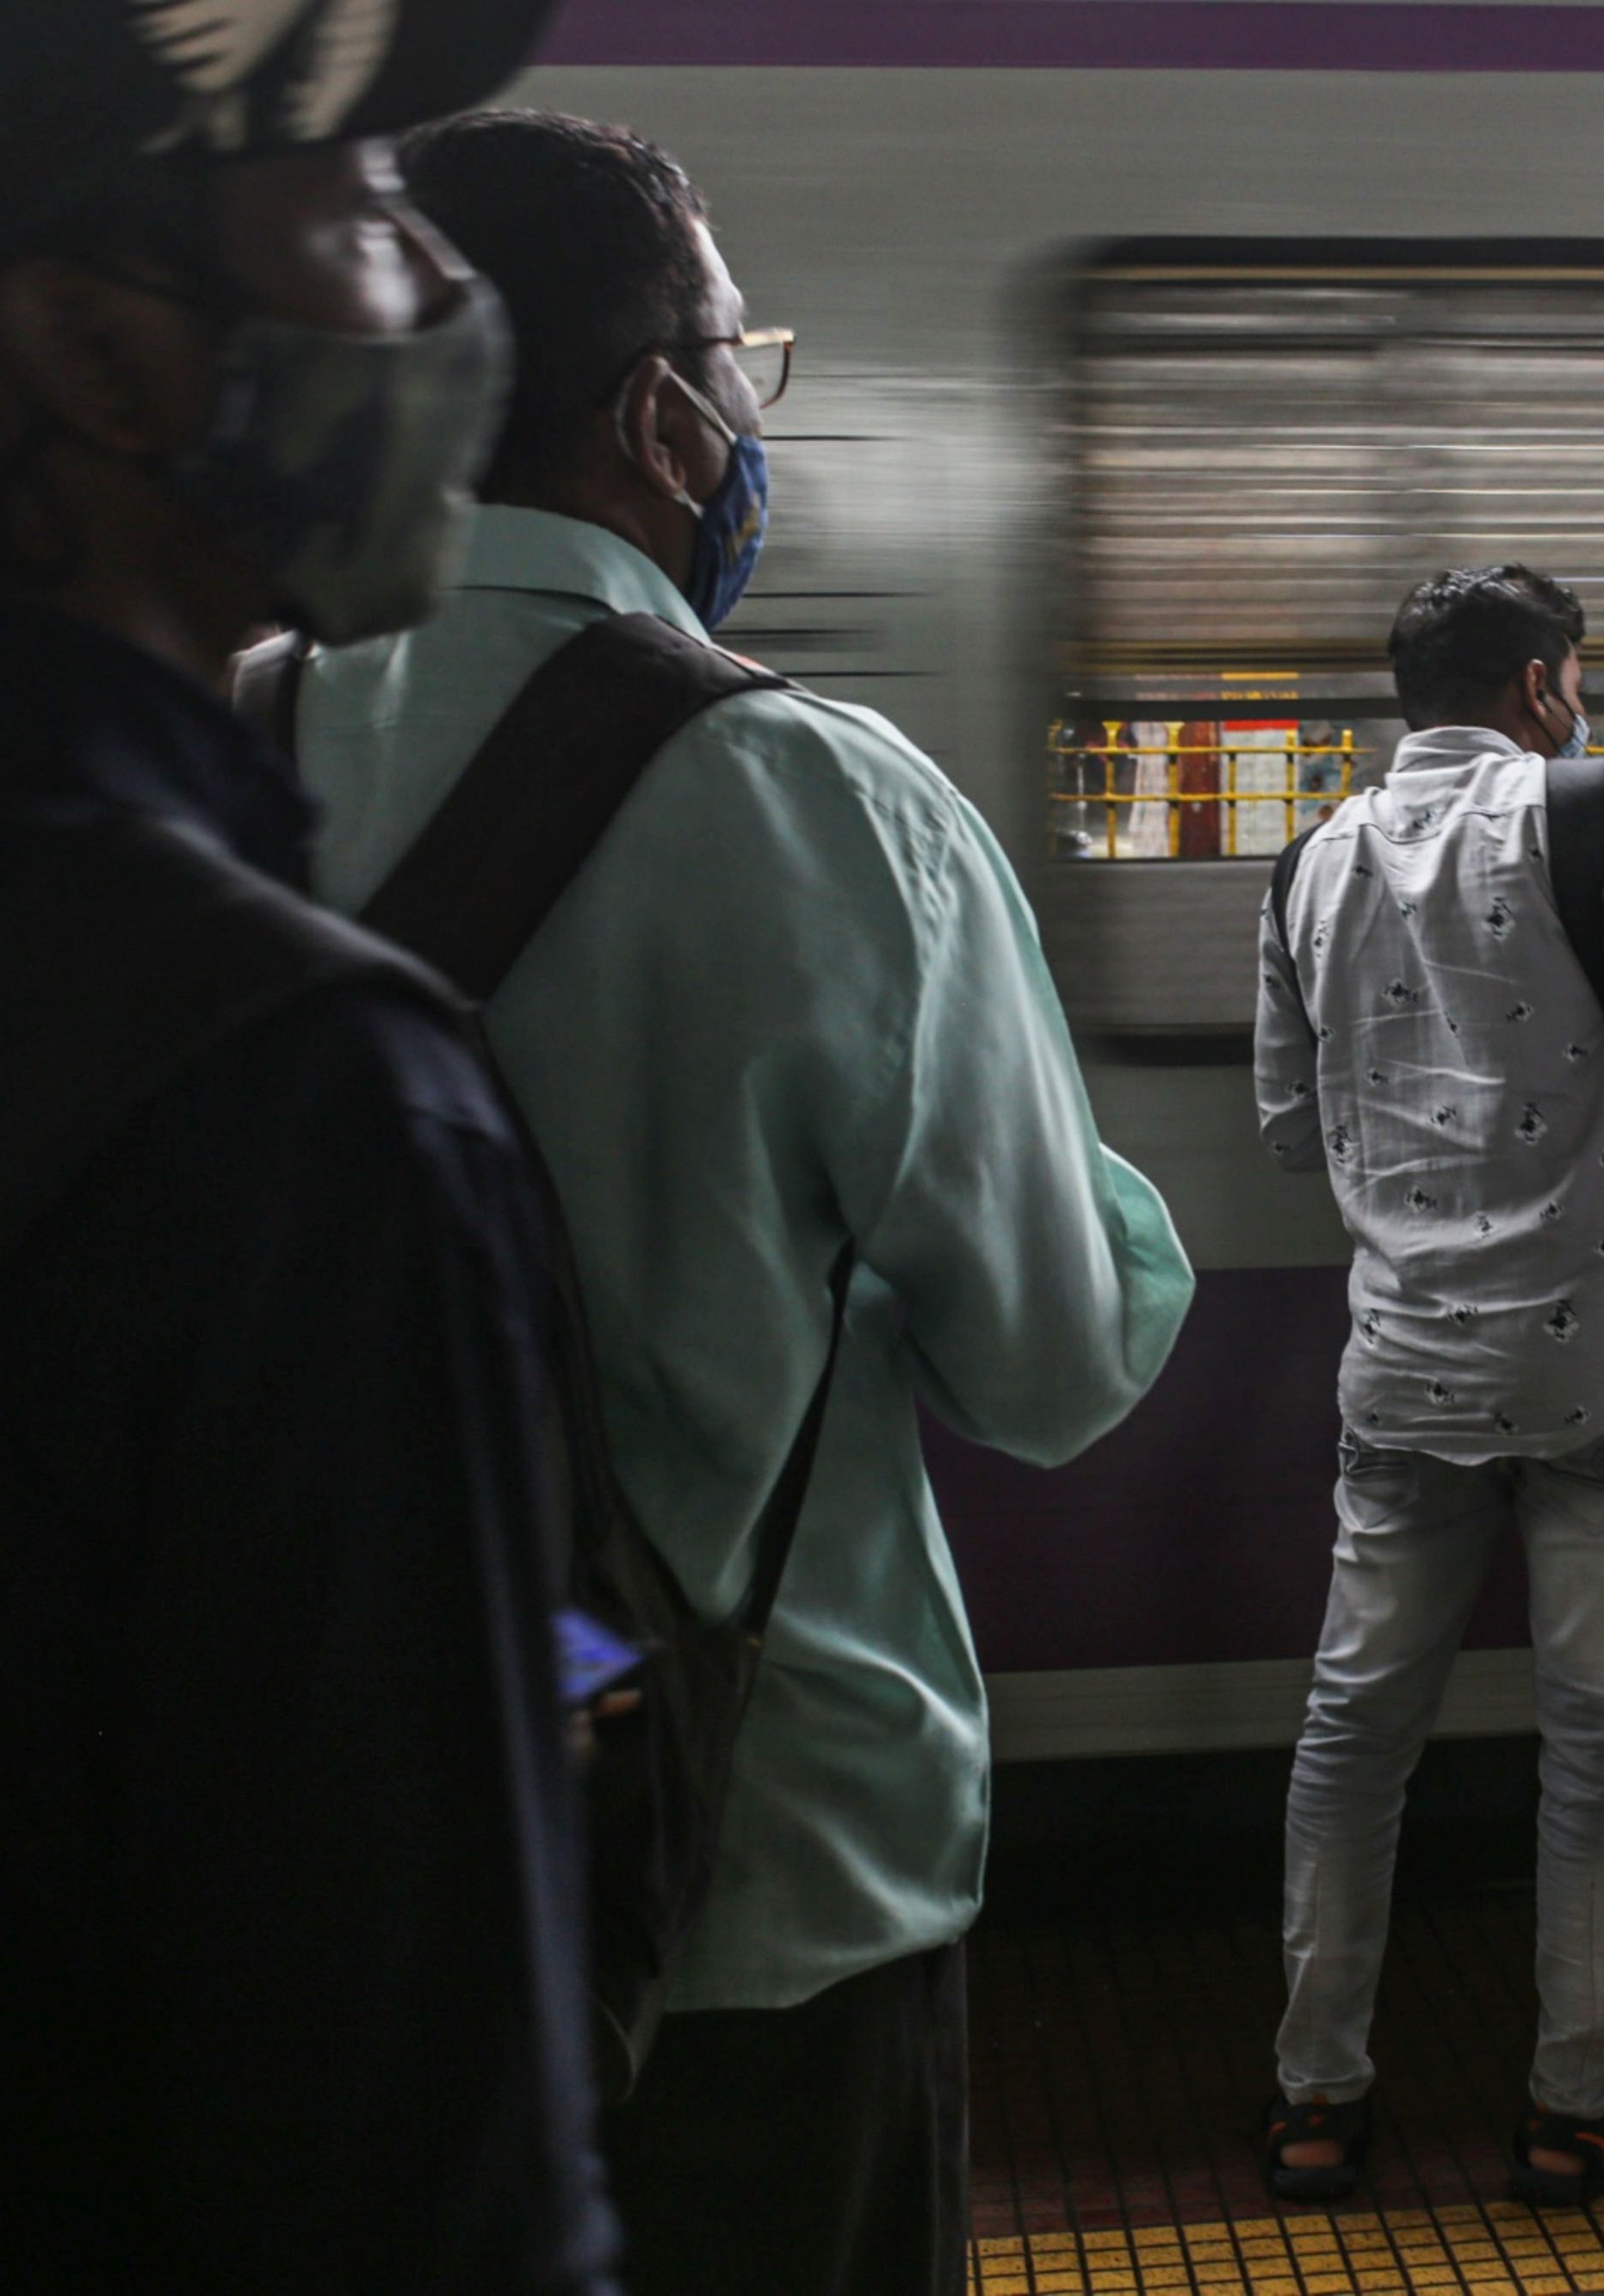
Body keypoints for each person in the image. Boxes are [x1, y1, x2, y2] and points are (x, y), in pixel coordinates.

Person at [0, 3, 620, 2291]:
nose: (436, 294)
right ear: (97, 355)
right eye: (365, 208)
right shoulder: (290, 1088)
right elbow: (420, 2164)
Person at [285, 109, 1195, 2296]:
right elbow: (1052, 1363)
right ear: (658, 416)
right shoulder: (820, 801)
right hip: (749, 1873)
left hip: (324, 1850)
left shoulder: (218, 745)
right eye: (737, 364)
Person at [1253, 563, 1604, 2209]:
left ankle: (1317, 2099)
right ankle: (1572, 2109)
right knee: (1599, 1749)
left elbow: (1285, 1113)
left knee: (1351, 1735)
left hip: (1403, 1368)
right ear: (1544, 686)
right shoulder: (1602, 817)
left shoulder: (1312, 858)